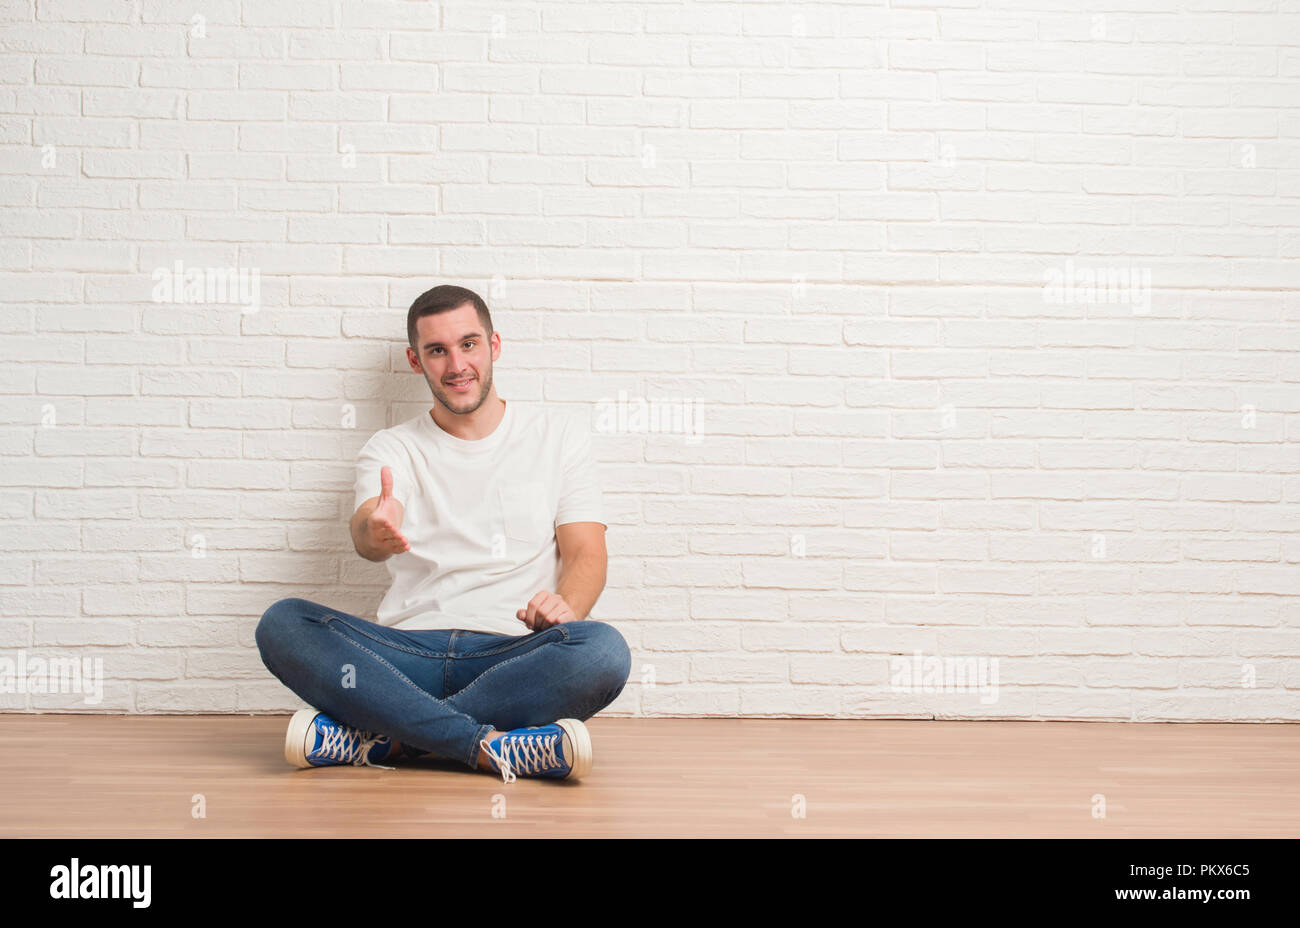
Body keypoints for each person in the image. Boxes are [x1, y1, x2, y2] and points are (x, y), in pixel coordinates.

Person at [255, 285, 631, 784]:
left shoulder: (559, 436)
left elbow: (587, 553)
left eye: (469, 344)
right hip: (403, 657)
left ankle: (386, 738)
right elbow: (367, 530)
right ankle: (488, 748)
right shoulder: (392, 447)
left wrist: (568, 609)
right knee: (282, 623)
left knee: (603, 650)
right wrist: (374, 528)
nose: (457, 364)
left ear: (494, 345)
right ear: (416, 361)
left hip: (512, 654)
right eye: (437, 350)